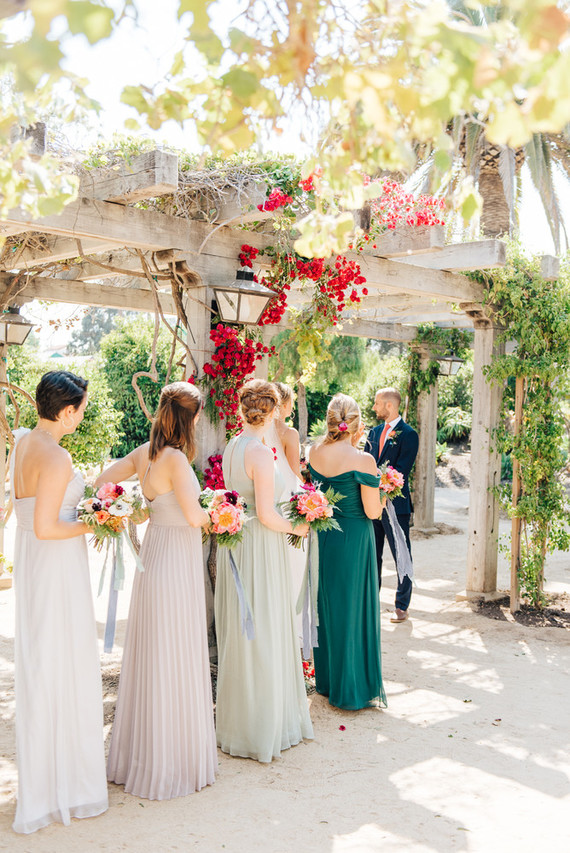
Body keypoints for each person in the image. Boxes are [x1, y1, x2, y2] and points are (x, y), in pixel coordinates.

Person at [97, 382, 217, 800]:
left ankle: (139, 758)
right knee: (175, 652)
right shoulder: (177, 462)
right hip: (176, 563)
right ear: (191, 418)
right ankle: (170, 762)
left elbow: (102, 481)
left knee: (153, 653)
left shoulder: (144, 454)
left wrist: (124, 509)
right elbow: (194, 515)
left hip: (154, 558)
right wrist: (223, 511)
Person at [10, 371, 108, 834]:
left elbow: (27, 515)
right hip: (55, 567)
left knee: (42, 662)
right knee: (62, 663)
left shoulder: (22, 441)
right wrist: (98, 523)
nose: (82, 415)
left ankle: (48, 782)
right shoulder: (58, 457)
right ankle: (64, 787)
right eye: (82, 408)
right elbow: (50, 527)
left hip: (33, 563)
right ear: (67, 411)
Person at [215, 379, 313, 762]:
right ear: (272, 411)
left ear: (241, 410)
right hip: (261, 547)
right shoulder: (260, 453)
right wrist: (298, 527)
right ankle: (265, 728)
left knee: (242, 635)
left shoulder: (232, 447)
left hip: (237, 544)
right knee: (267, 630)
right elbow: (269, 514)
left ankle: (240, 724)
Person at [308, 393, 387, 710]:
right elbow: (372, 512)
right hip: (354, 541)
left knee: (328, 608)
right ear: (355, 424)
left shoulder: (313, 451)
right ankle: (351, 689)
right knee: (354, 610)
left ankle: (327, 681)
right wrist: (384, 493)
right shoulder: (363, 460)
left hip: (324, 538)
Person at [364, 387, 419, 623]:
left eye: (377, 403)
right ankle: (371, 602)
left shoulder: (409, 434)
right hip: (371, 505)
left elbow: (401, 471)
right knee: (372, 555)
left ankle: (401, 605)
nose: (374, 408)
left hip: (396, 506)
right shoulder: (374, 432)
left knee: (401, 554)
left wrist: (383, 490)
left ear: (389, 405)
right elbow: (365, 464)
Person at [266, 382, 305, 639]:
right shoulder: (289, 433)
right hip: (288, 497)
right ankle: (293, 624)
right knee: (294, 559)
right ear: (285, 403)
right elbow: (294, 472)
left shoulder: (260, 429)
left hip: (268, 493)